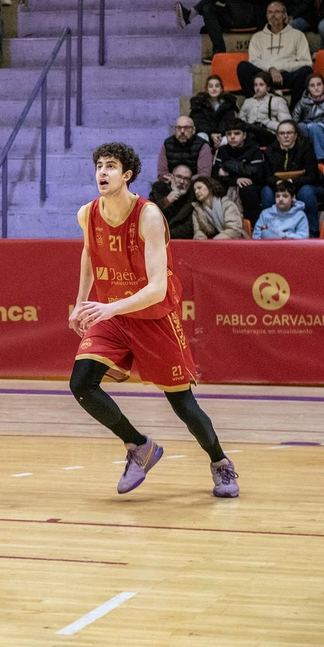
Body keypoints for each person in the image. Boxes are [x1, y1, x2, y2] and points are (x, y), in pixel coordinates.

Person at [69, 142, 236, 498]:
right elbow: (88, 252)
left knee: (183, 405)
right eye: (99, 165)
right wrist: (81, 302)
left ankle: (220, 462)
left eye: (110, 166)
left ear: (126, 175)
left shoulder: (148, 216)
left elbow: (158, 289)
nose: (102, 172)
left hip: (153, 316)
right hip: (113, 314)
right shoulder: (87, 214)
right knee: (81, 383)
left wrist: (109, 307)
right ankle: (138, 445)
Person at [262, 119, 323, 236]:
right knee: (266, 191)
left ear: (295, 135)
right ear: (277, 136)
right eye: (282, 133)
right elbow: (265, 176)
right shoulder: (269, 151)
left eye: (289, 133)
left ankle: (312, 234)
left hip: (304, 186)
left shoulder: (306, 148)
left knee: (306, 192)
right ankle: (269, 233)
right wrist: (278, 182)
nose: (285, 136)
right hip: (278, 186)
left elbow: (312, 176)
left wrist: (291, 181)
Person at [240, 1, 311, 96]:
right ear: (266, 16)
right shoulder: (257, 37)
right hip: (264, 76)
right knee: (243, 67)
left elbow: (307, 62)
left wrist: (280, 68)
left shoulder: (298, 35)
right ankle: (256, 101)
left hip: (286, 75)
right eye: (270, 12)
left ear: (284, 15)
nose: (273, 15)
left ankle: (294, 105)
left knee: (306, 71)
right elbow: (254, 60)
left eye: (277, 12)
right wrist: (271, 69)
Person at [238, 71, 291, 145]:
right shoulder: (247, 101)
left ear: (268, 87)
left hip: (268, 135)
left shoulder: (278, 101)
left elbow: (286, 125)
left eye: (261, 85)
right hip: (250, 134)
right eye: (255, 85)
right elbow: (240, 123)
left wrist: (267, 123)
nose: (257, 88)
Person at [148, 163, 197, 239]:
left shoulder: (192, 196)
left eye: (186, 179)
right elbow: (149, 215)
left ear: (190, 182)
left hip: (177, 238)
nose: (182, 181)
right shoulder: (159, 189)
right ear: (171, 177)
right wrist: (166, 201)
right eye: (179, 177)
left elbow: (189, 227)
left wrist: (166, 235)